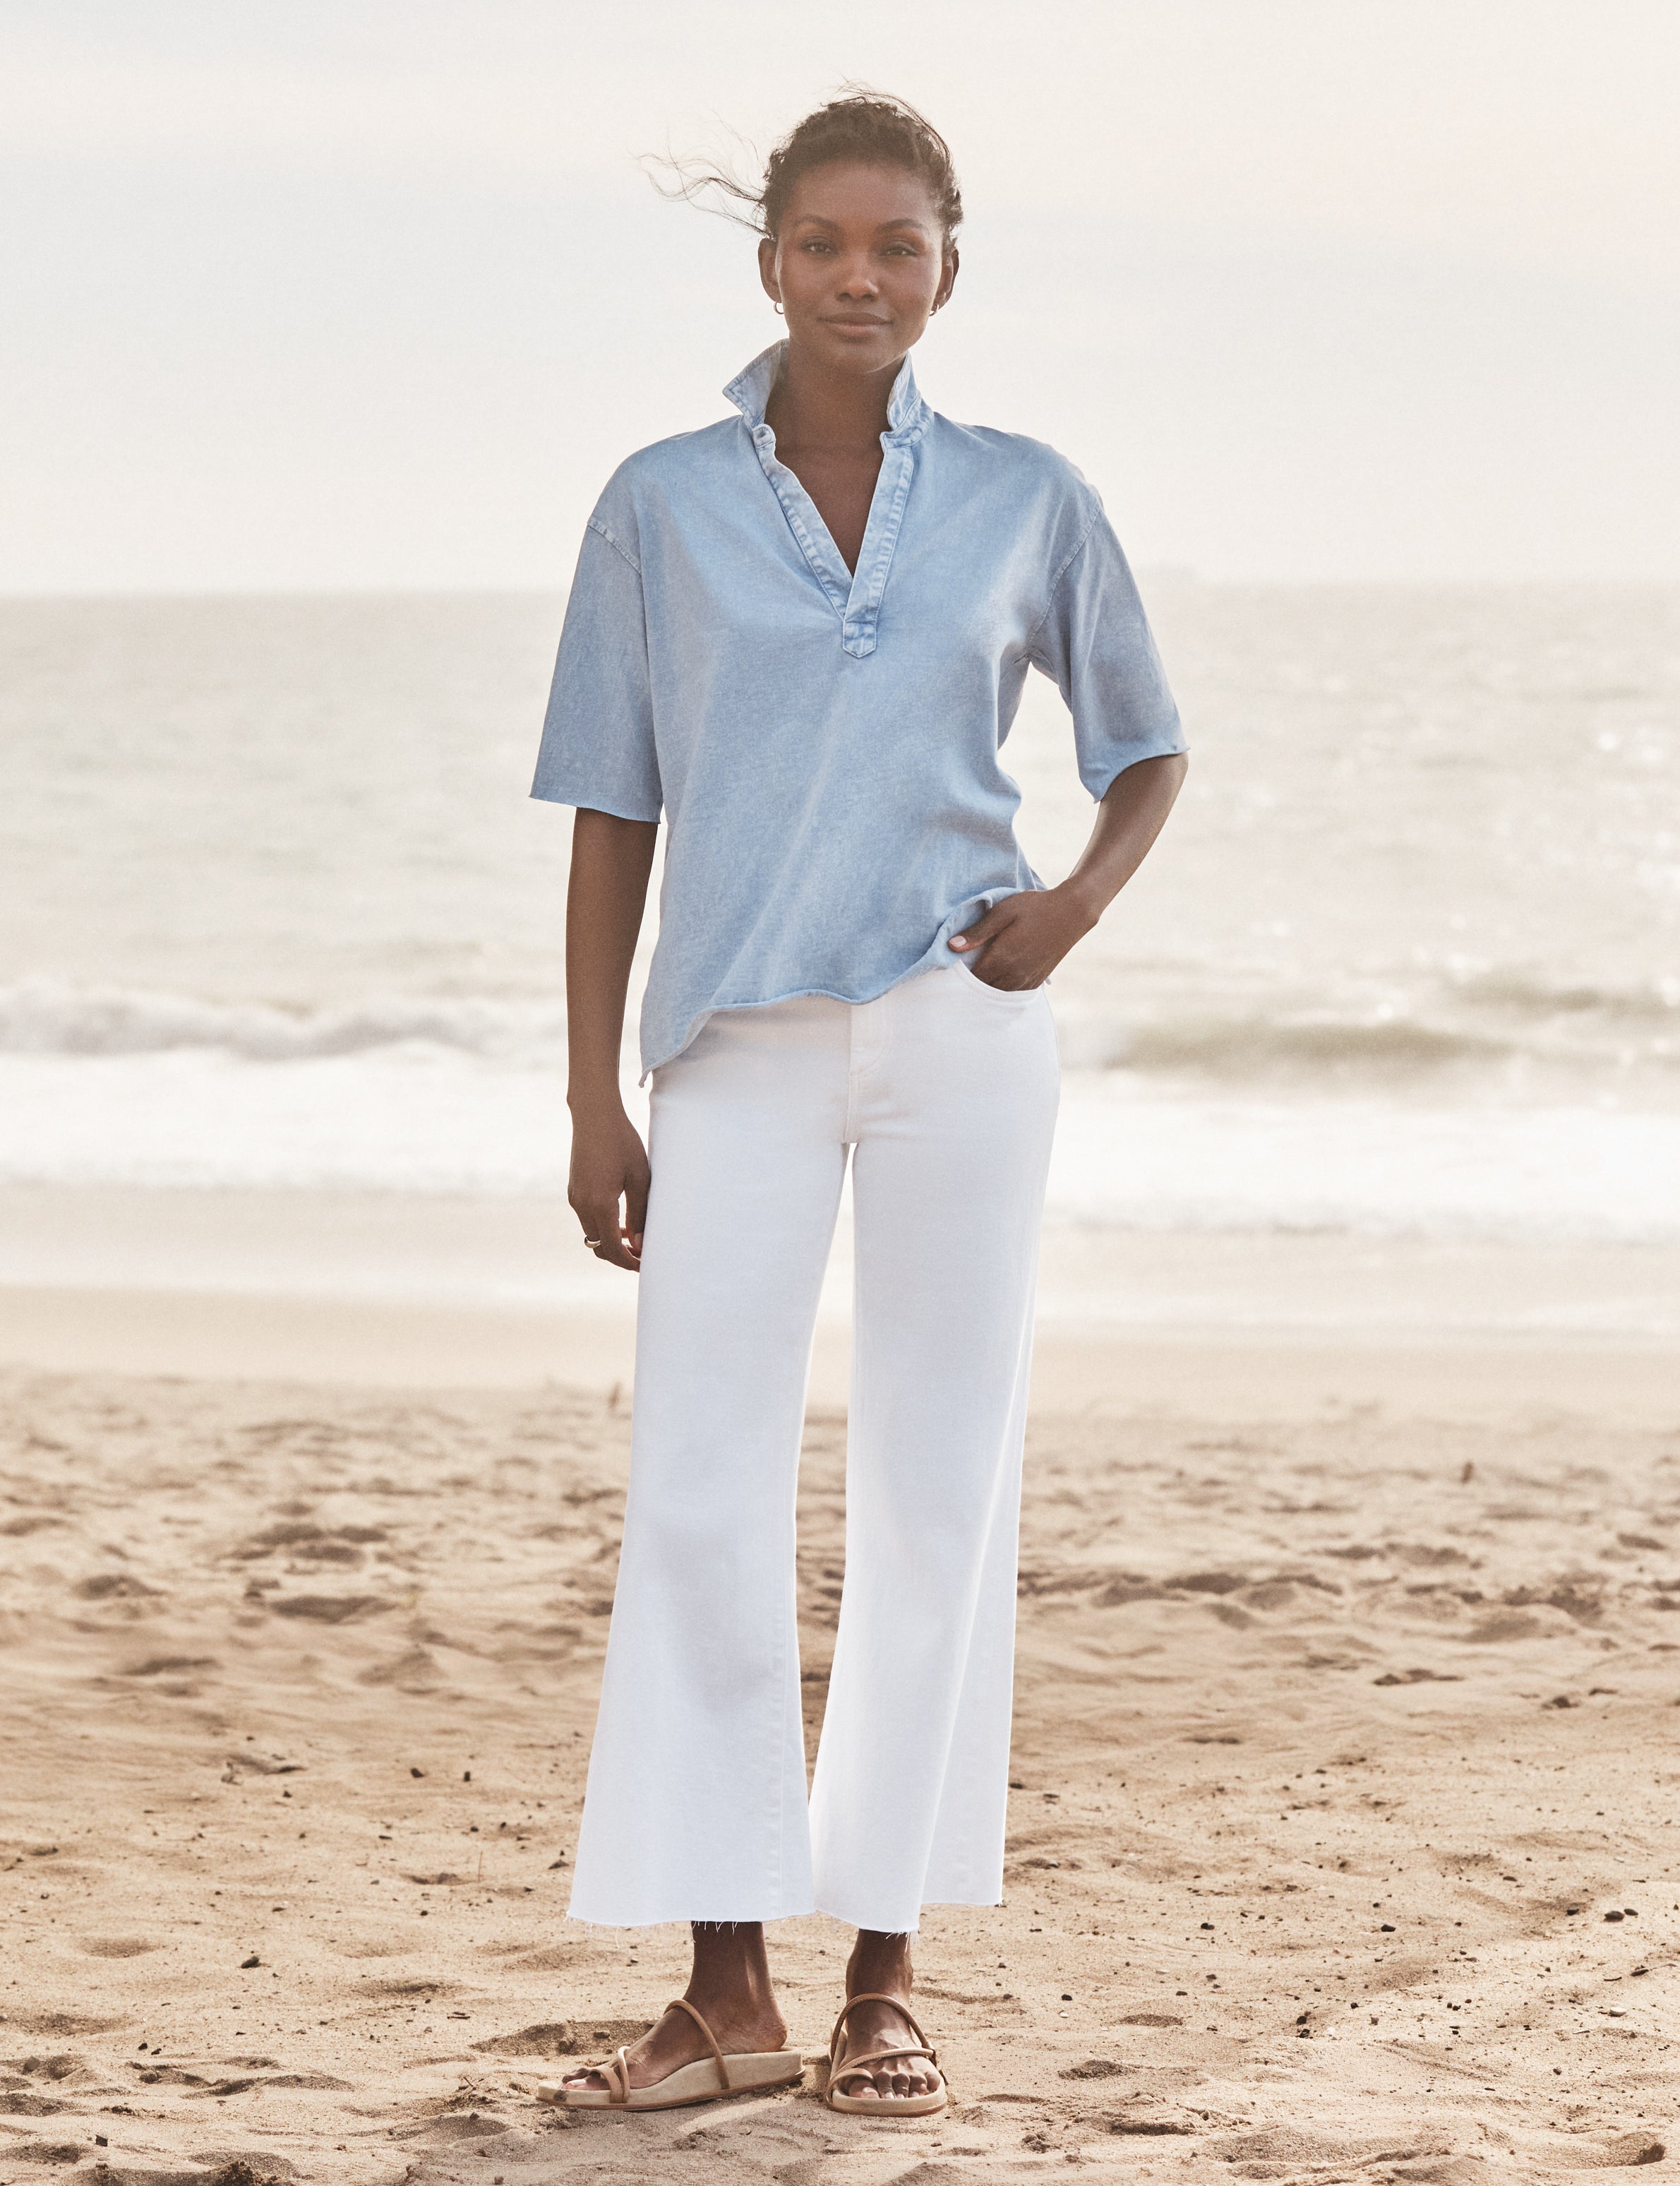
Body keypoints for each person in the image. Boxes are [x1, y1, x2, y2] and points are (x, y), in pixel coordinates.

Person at [531, 91, 1187, 2117]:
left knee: (934, 1493)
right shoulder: (657, 503)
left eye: (896, 244)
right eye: (823, 242)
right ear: (769, 264)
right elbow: (612, 806)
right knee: (703, 1492)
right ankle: (725, 1982)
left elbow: (1145, 746)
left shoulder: (1025, 496)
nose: (859, 276)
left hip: (955, 1037)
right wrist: (589, 1095)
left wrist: (1067, 912)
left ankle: (880, 1980)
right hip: (729, 1048)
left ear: (946, 267)